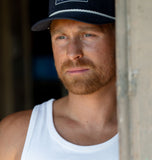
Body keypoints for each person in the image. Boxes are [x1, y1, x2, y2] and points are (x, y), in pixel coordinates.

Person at [0, 0, 118, 159]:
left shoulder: (149, 129)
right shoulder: (14, 135)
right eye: (61, 37)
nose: (72, 53)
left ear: (121, 39)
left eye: (88, 34)